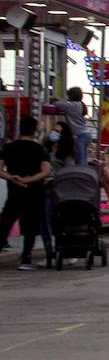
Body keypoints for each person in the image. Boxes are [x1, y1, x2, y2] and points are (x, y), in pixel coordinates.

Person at [1, 115, 53, 270]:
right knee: (30, 225)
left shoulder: (9, 147)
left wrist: (12, 177)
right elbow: (45, 172)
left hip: (14, 192)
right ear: (35, 131)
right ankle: (26, 259)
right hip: (34, 192)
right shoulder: (40, 149)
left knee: (5, 223)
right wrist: (27, 180)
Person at [50, 87, 92, 166]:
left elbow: (57, 104)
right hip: (86, 134)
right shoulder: (80, 104)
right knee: (83, 158)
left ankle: (80, 176)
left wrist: (56, 99)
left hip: (80, 135)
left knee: (80, 161)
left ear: (71, 95)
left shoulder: (72, 106)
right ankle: (85, 175)